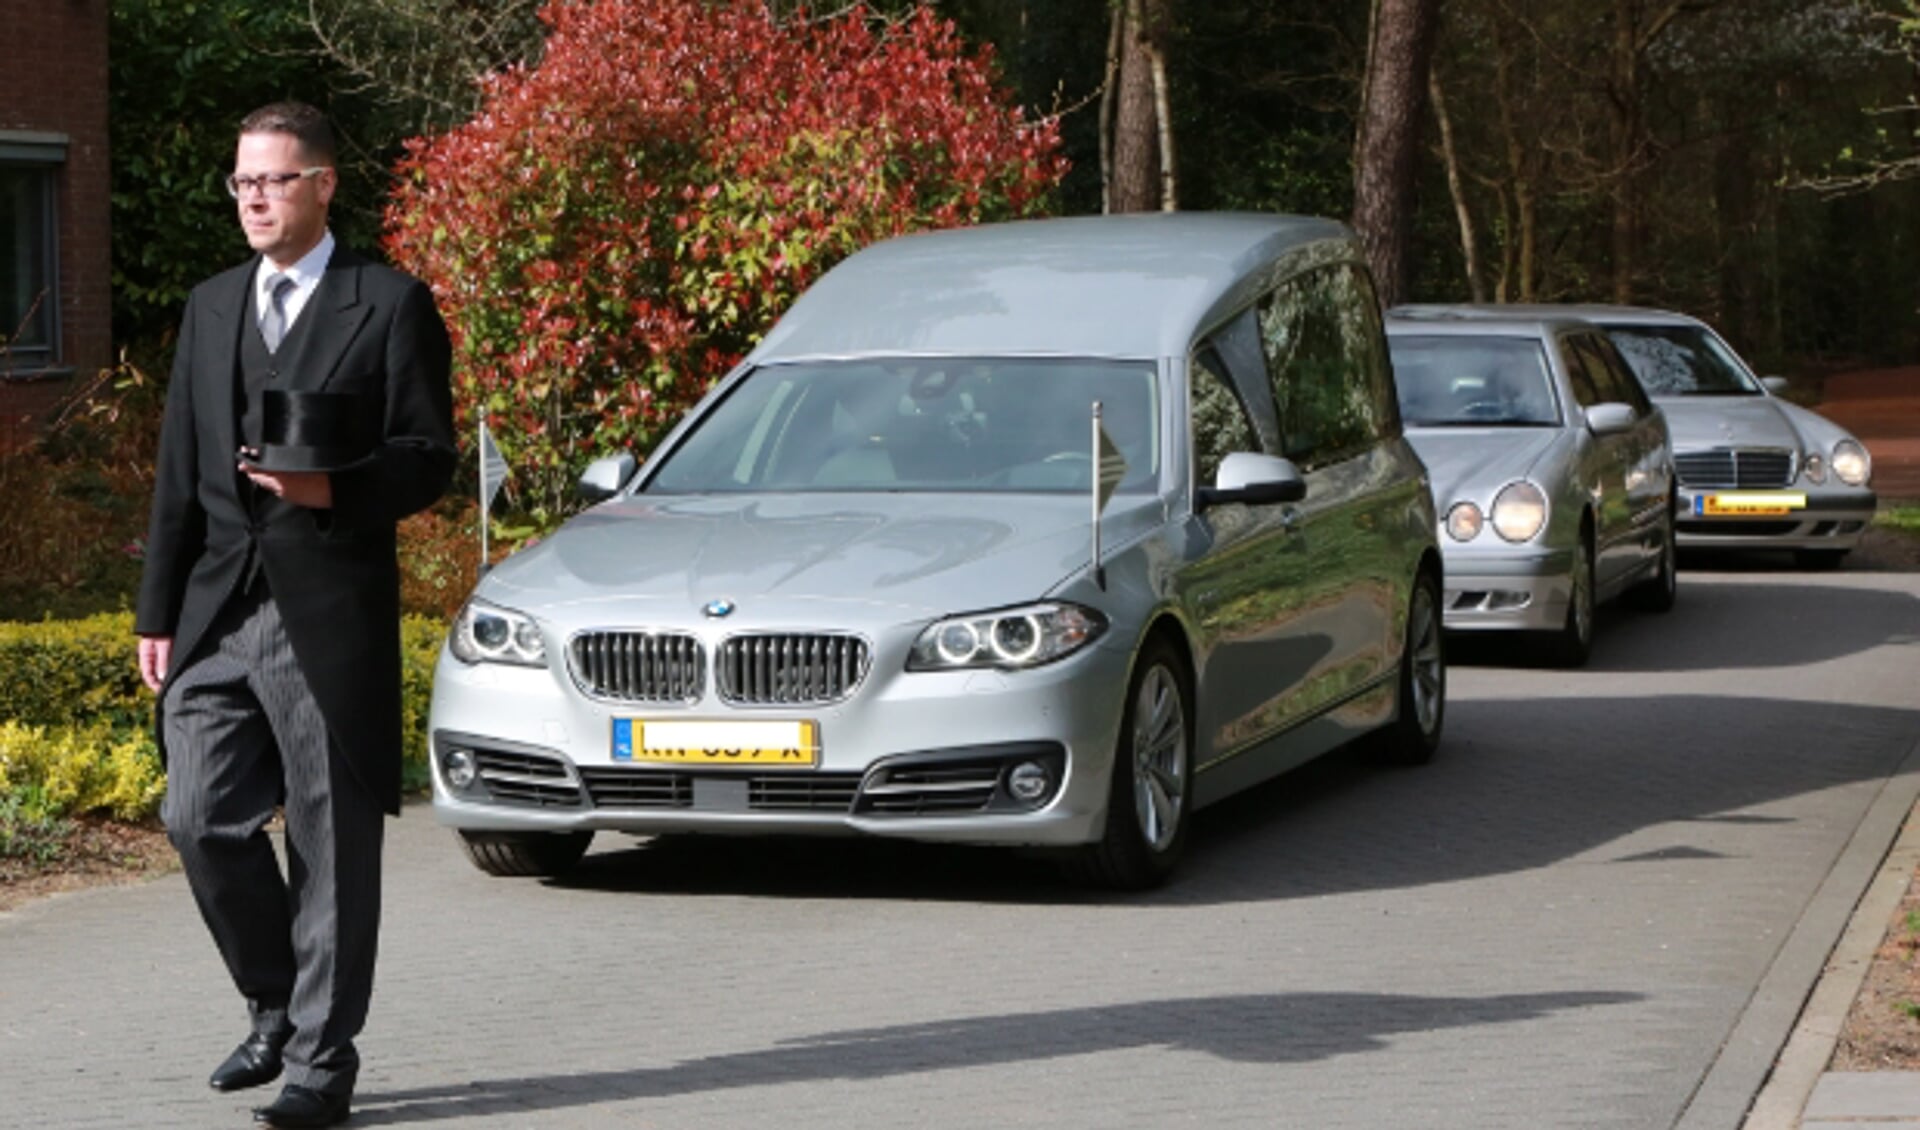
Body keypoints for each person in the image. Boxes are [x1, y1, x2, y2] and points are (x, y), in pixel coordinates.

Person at [133, 101, 455, 1129]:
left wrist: (332, 489)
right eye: (242, 183)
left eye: (273, 180)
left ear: (323, 185)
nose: (253, 198)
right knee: (198, 816)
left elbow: (426, 457)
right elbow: (180, 471)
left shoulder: (390, 303)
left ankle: (322, 1061)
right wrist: (157, 610)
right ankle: (274, 998)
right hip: (217, 609)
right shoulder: (213, 304)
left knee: (327, 843)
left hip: (325, 614)